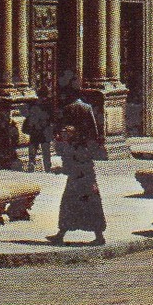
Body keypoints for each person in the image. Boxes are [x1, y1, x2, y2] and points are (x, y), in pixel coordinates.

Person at [48, 78, 107, 246]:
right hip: (85, 160)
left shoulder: (67, 109)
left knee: (70, 198)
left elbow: (62, 134)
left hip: (74, 159)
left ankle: (62, 233)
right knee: (91, 197)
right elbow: (95, 134)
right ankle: (98, 234)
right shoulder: (86, 108)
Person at [22, 87, 55, 173]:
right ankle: (47, 167)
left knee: (33, 146)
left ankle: (31, 164)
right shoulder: (49, 104)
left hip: (35, 129)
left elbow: (27, 114)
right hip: (45, 130)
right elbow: (52, 117)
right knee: (46, 149)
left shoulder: (33, 103)